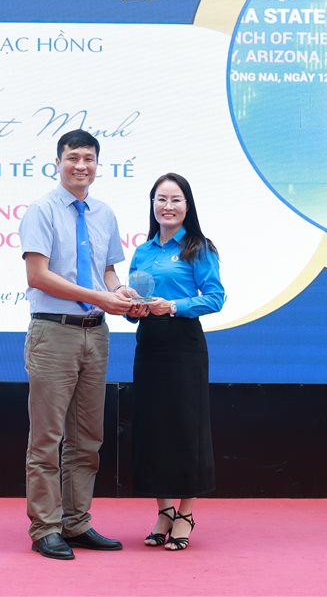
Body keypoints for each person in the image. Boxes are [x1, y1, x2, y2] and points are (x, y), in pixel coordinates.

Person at [18, 129, 146, 560]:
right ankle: (45, 527)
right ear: (57, 162)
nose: (81, 166)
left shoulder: (104, 213)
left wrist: (120, 292)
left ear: (97, 164)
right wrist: (101, 297)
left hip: (96, 332)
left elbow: (106, 272)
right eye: (73, 158)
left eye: (88, 158)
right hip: (54, 331)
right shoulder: (42, 210)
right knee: (47, 438)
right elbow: (38, 276)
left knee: (88, 437)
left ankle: (75, 522)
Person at [127, 173, 225, 551]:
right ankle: (163, 510)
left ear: (187, 205)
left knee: (186, 428)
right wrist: (132, 308)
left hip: (184, 344)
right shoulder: (143, 251)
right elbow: (134, 305)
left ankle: (186, 512)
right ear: (153, 204)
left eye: (175, 199)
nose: (168, 206)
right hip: (149, 344)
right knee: (154, 428)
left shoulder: (198, 247)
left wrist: (173, 306)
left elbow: (215, 298)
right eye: (161, 199)